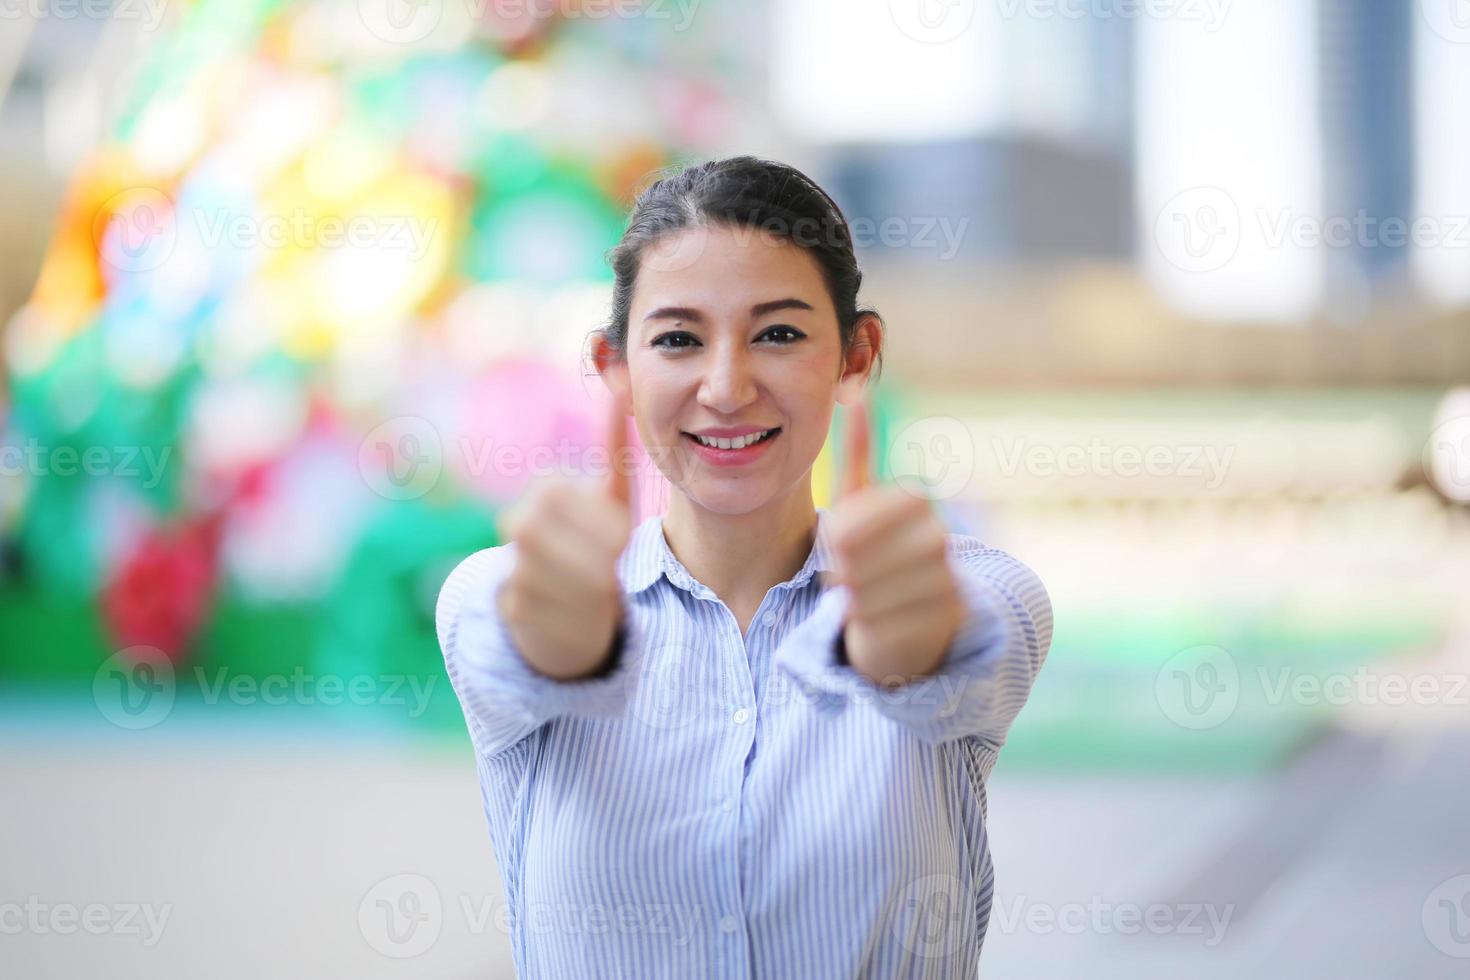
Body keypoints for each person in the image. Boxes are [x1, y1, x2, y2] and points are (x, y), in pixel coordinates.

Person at [435, 155, 1053, 978]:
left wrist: (902, 647)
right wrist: (569, 642)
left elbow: (954, 651)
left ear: (857, 356)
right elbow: (516, 645)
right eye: (679, 339)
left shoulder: (974, 590)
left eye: (780, 334)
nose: (726, 387)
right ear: (614, 367)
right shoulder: (502, 592)